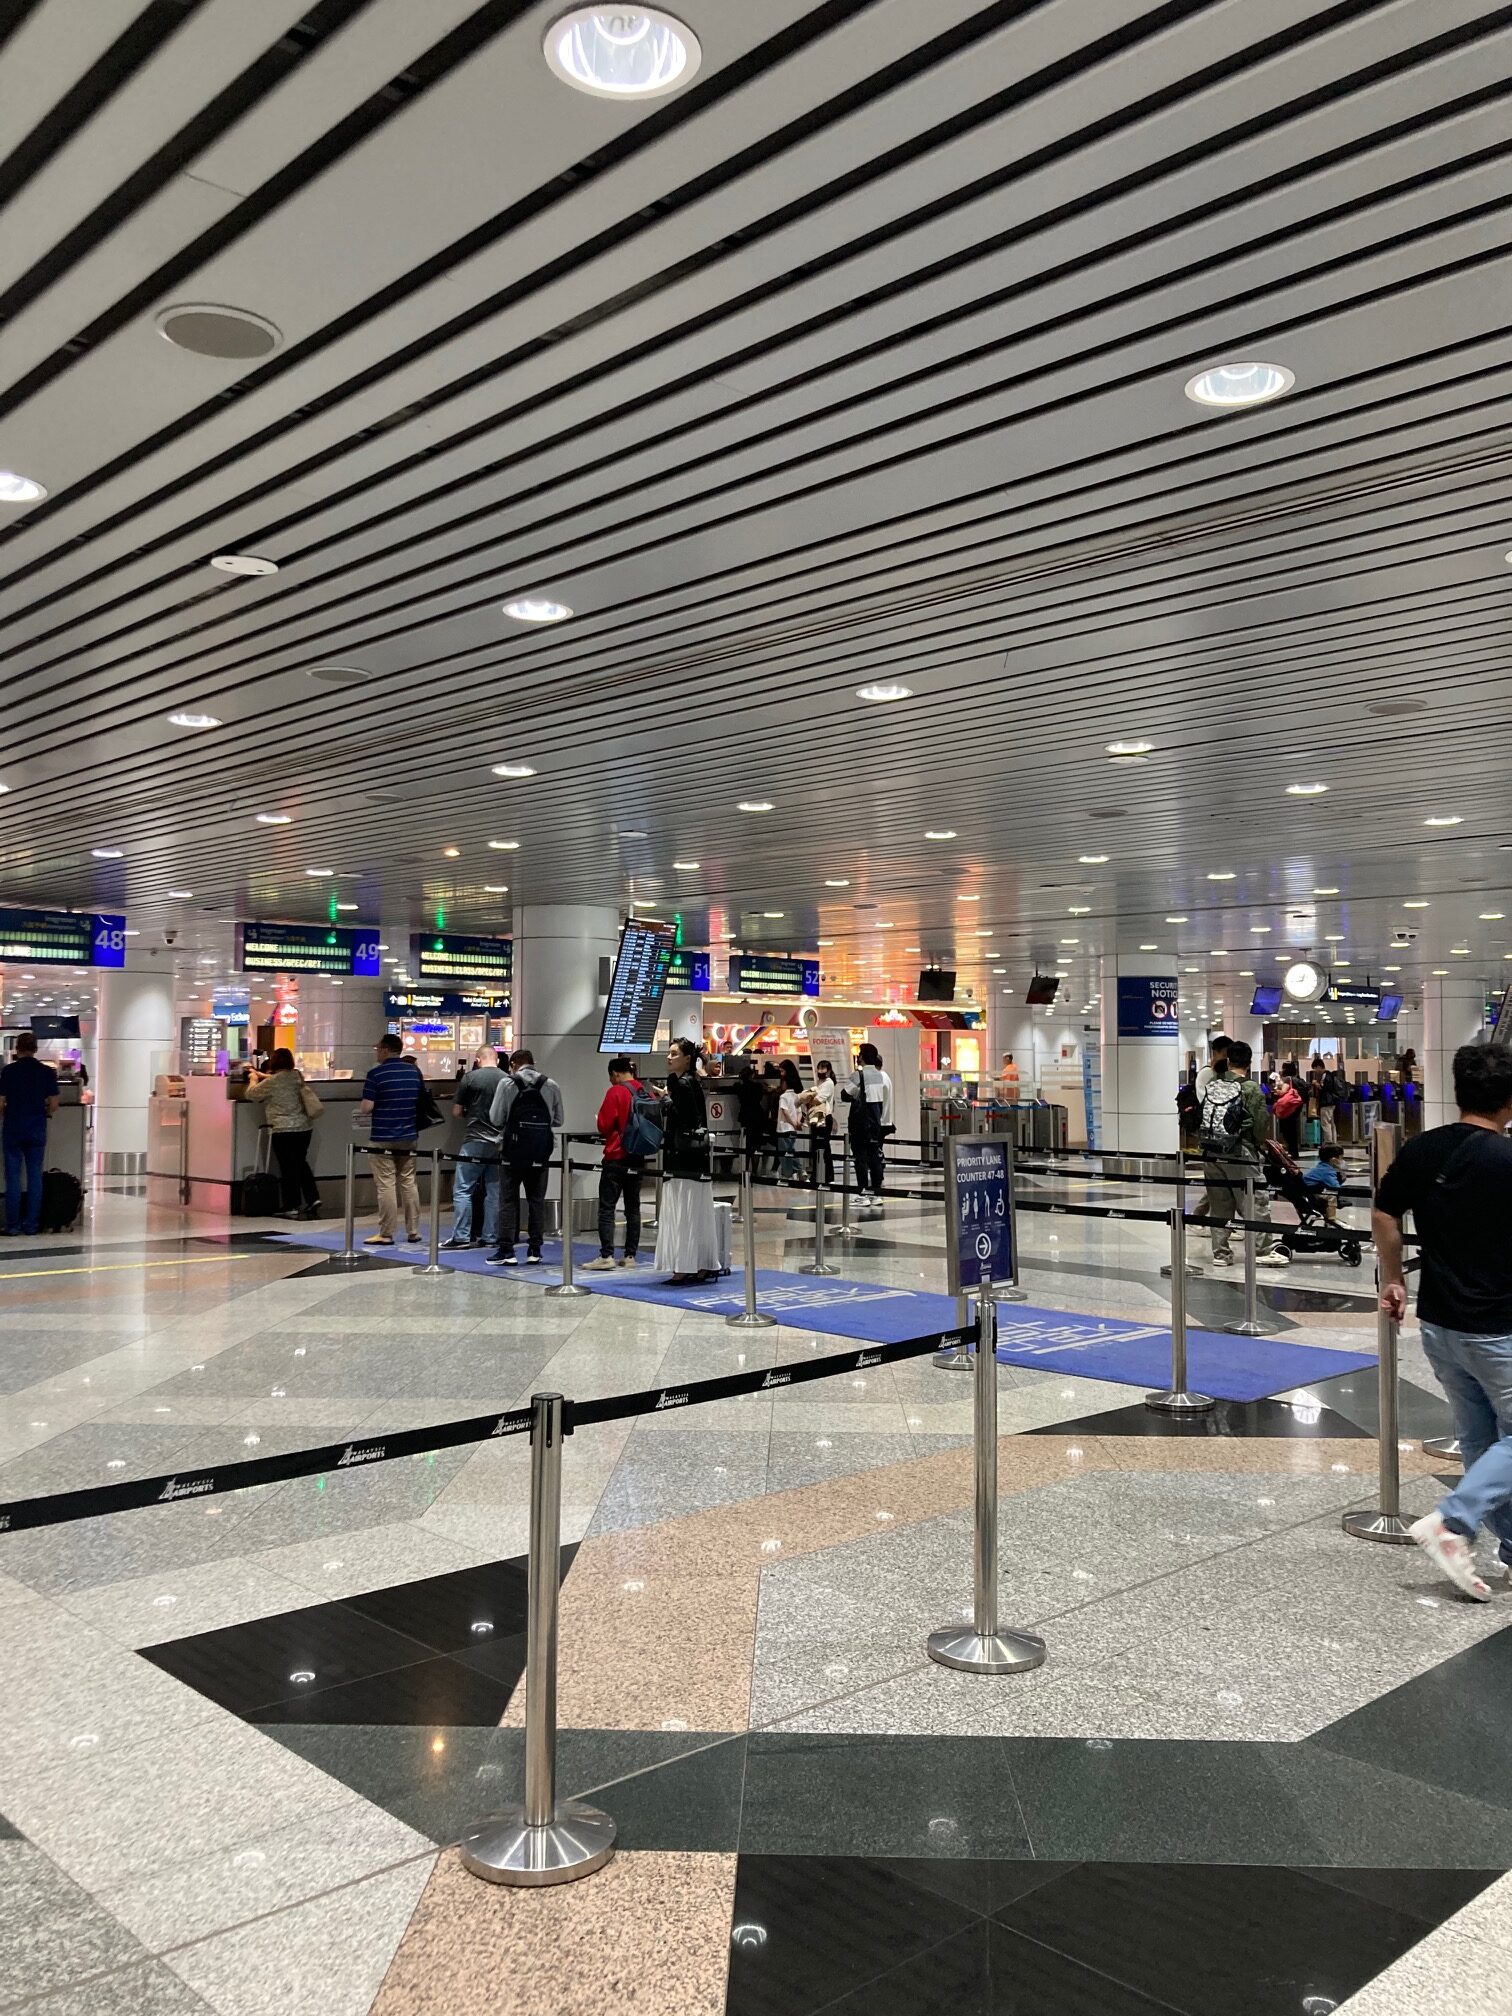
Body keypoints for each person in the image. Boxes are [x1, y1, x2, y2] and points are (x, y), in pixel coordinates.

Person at [1375, 1041, 1512, 1601]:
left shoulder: (1423, 1149)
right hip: (1498, 1327)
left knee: (1481, 1441)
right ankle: (1452, 1522)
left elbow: (1385, 1211)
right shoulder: (1507, 1159)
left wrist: (1393, 1277)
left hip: (1439, 1324)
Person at [1196, 1038, 1288, 1269]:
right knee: (1255, 1201)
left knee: (1219, 1204)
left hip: (1211, 1151)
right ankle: (1261, 1250)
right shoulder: (1250, 1088)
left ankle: (1220, 1253)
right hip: (1240, 1152)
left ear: (1228, 1061)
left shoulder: (1214, 1083)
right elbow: (1259, 1126)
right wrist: (1257, 1145)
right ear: (1249, 1063)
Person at [486, 1049, 564, 1265]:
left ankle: (507, 1251)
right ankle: (535, 1250)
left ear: (513, 1064)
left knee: (508, 1201)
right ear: (533, 1062)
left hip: (512, 1152)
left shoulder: (507, 1084)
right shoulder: (551, 1085)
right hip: (540, 1152)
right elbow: (559, 1120)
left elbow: (495, 1118)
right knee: (536, 1201)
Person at [655, 1037, 720, 1284]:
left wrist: (666, 1101)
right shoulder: (693, 1081)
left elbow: (686, 1119)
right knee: (698, 1213)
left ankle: (683, 1266)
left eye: (674, 1054)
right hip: (696, 1159)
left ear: (687, 1058)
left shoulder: (683, 1084)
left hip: (682, 1159)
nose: (669, 1057)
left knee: (683, 1212)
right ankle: (702, 1263)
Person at [358, 1033, 423, 1245]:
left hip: (382, 1136)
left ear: (386, 1050)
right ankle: (413, 1230)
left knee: (386, 1184)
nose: (376, 1052)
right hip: (409, 1135)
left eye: (378, 1048)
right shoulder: (413, 1072)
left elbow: (366, 1107)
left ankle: (386, 1233)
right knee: (408, 1181)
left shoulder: (375, 1074)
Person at [585, 1055, 646, 1271]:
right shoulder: (643, 1091)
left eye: (611, 1077)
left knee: (607, 1208)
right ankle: (630, 1255)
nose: (611, 1081)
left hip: (616, 1156)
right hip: (638, 1156)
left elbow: (604, 1124)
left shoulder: (616, 1092)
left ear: (616, 1073)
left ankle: (606, 1255)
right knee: (633, 1208)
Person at [244, 1048, 320, 1219]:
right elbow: (282, 1081)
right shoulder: (296, 1075)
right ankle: (313, 1198)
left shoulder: (273, 1082)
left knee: (287, 1168)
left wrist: (254, 1078)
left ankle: (291, 1205)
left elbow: (251, 1094)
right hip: (304, 1128)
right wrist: (263, 1075)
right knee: (301, 1164)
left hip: (283, 1129)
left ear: (274, 1062)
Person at [444, 1046, 504, 1250]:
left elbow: (456, 1111)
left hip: (474, 1139)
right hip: (499, 1143)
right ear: (497, 1059)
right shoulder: (507, 1079)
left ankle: (461, 1236)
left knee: (463, 1189)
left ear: (478, 1059)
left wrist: (470, 1113)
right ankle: (490, 1236)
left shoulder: (470, 1078)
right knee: (494, 1190)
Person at [0, 1032, 59, 1237]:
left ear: (17, 1049)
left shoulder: (9, 1071)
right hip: (36, 1128)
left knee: (13, 1178)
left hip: (13, 1128)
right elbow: (54, 1104)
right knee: (35, 1177)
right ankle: (32, 1225)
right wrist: (45, 1113)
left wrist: (7, 1113)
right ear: (35, 1049)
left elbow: (0, 1102)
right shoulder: (46, 1072)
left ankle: (12, 1225)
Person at [842, 1041, 894, 1217]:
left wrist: (856, 1094)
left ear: (862, 1057)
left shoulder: (858, 1075)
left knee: (860, 1158)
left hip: (860, 1122)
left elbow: (845, 1094)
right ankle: (876, 1193)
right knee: (874, 1157)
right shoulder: (879, 1076)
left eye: (859, 1054)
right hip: (875, 1122)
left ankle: (863, 1193)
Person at [733, 1064, 768, 1177]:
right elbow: (761, 1096)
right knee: (757, 1144)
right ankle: (755, 1171)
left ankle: (746, 1170)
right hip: (758, 1115)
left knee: (746, 1144)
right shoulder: (758, 1086)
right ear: (752, 1075)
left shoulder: (739, 1087)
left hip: (745, 1116)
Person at [809, 1058, 838, 1186]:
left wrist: (808, 1097)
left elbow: (819, 1098)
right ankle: (817, 1174)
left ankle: (827, 1175)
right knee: (817, 1147)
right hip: (816, 1116)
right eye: (819, 1068)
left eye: (823, 1068)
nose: (820, 1071)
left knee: (824, 1146)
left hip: (824, 1117)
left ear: (829, 1070)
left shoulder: (828, 1083)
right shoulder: (819, 1082)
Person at [775, 1058, 805, 1182]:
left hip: (783, 1128)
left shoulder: (783, 1097)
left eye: (782, 1071)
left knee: (786, 1153)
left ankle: (794, 1172)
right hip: (793, 1129)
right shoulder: (796, 1096)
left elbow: (785, 1112)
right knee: (790, 1150)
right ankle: (795, 1172)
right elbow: (799, 1111)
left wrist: (792, 1123)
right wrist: (797, 1123)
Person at [1301, 1140, 1345, 1223]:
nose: (1342, 1161)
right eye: (1341, 1158)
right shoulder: (1328, 1171)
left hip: (1307, 1192)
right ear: (1333, 1160)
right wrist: (1342, 1177)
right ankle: (1331, 1219)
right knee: (1332, 1196)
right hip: (1313, 1193)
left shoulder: (1321, 1166)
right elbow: (1335, 1187)